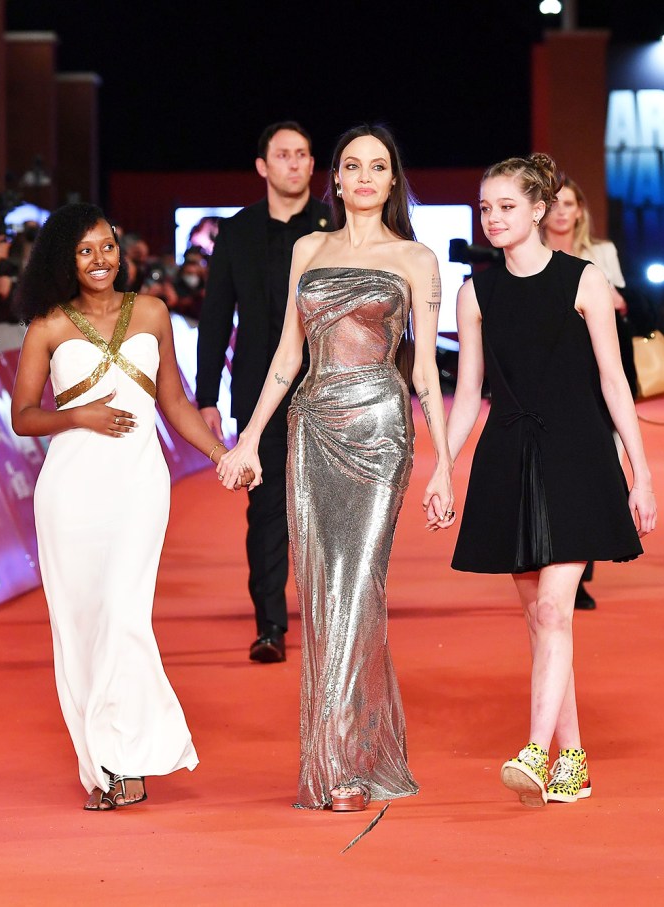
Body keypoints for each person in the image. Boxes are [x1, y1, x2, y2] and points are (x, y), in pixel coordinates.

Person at [217, 124, 454, 811]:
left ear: (392, 178)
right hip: (311, 426)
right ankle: (341, 754)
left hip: (380, 431)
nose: (364, 177)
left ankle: (343, 762)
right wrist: (249, 438)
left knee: (357, 584)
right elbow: (288, 356)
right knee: (322, 594)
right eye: (353, 165)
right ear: (338, 178)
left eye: (378, 166)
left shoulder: (415, 257)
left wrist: (443, 462)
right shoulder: (306, 249)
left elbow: (428, 374)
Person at [11, 203, 252, 811]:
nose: (100, 260)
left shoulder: (152, 312)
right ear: (66, 259)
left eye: (108, 247)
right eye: (86, 250)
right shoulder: (47, 326)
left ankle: (129, 759)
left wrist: (223, 453)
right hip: (69, 492)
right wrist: (79, 415)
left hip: (139, 486)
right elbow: (22, 416)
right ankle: (107, 764)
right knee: (79, 626)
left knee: (123, 615)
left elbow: (173, 400)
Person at [445, 154, 656, 808]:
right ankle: (575, 759)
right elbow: (469, 391)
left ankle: (536, 749)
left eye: (506, 206)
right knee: (542, 624)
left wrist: (640, 472)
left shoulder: (584, 280)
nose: (494, 218)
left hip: (576, 455)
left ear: (538, 210)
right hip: (508, 457)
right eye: (486, 208)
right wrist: (441, 468)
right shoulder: (476, 292)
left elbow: (614, 381)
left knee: (553, 608)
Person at [196, 121, 331, 664]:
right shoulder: (237, 232)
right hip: (258, 395)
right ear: (263, 166)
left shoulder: (332, 227)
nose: (295, 164)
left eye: (303, 154)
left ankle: (331, 623)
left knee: (327, 511)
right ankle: (271, 624)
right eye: (283, 154)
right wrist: (207, 394)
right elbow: (213, 318)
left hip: (326, 387)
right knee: (268, 510)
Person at [543, 177, 636, 610]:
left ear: (580, 209)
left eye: (569, 203)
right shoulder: (531, 253)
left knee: (600, 474)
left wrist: (608, 296)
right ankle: (561, 566)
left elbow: (624, 305)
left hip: (601, 373)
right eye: (555, 203)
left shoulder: (601, 254)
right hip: (552, 379)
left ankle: (581, 574)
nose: (562, 211)